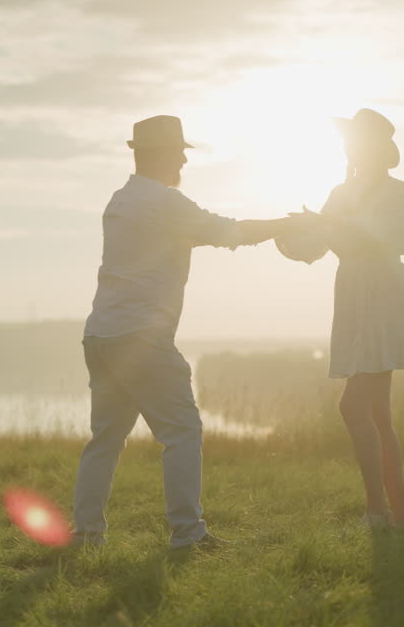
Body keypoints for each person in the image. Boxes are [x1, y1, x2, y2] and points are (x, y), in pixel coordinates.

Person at [73, 115, 298, 549]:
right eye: (178, 152)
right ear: (158, 154)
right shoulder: (164, 203)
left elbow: (204, 235)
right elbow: (229, 231)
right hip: (141, 337)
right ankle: (188, 534)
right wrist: (286, 226)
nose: (183, 160)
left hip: (101, 334)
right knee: (183, 432)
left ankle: (85, 534)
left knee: (105, 440)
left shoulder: (120, 201)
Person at [289, 108, 404, 529]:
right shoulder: (340, 191)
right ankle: (400, 514)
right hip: (354, 295)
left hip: (385, 292)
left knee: (354, 406)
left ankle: (378, 511)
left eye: (358, 139)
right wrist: (289, 232)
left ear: (376, 147)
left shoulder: (396, 191)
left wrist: (330, 224)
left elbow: (382, 236)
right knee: (377, 413)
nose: (351, 146)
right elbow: (315, 245)